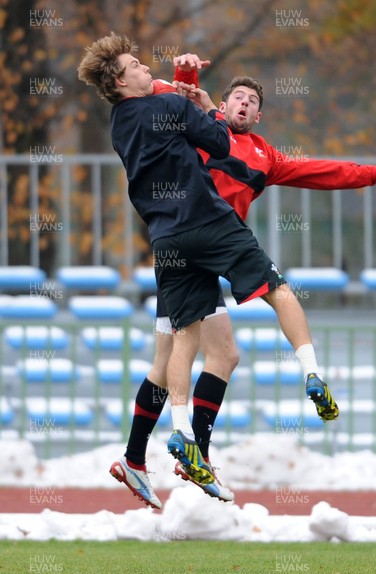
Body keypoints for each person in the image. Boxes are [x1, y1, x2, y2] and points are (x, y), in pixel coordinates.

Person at [111, 52, 376, 507]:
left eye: (251, 100)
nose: (242, 103)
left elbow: (321, 172)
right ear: (223, 103)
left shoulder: (264, 155)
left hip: (208, 247)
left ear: (258, 115)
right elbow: (165, 98)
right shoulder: (201, 125)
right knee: (174, 354)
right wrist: (188, 78)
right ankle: (141, 460)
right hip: (191, 239)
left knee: (223, 354)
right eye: (236, 95)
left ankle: (182, 455)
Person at [78, 35, 341, 510]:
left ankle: (178, 445)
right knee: (186, 350)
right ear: (121, 79)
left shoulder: (120, 119)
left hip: (166, 241)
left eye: (251, 101)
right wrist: (194, 97)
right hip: (208, 227)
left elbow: (163, 102)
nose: (144, 68)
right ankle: (153, 455)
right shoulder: (178, 110)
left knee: (206, 349)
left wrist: (183, 83)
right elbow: (216, 140)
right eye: (136, 64)